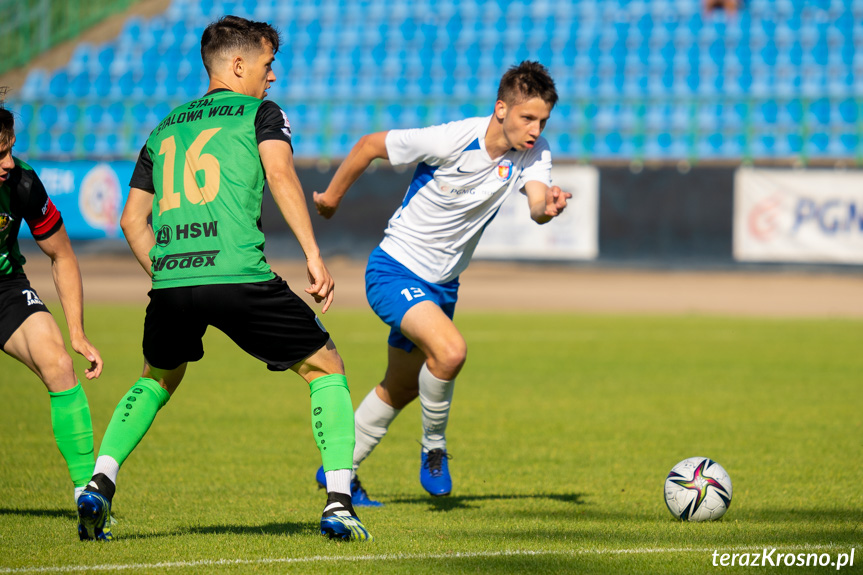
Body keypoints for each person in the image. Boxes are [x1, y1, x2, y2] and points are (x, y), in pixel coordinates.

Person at [75, 16, 371, 542]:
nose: (272, 76)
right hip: (239, 274)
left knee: (157, 377)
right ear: (238, 65)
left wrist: (169, 270)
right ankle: (340, 504)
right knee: (326, 366)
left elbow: (130, 221)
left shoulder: (164, 126)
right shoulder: (261, 113)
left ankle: (99, 482)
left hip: (172, 283)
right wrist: (313, 255)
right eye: (267, 64)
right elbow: (280, 174)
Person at [312, 61, 570, 506]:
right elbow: (370, 145)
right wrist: (331, 198)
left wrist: (549, 208)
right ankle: (434, 447)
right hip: (394, 270)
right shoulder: (453, 138)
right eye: (527, 117)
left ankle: (340, 469)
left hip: (442, 287)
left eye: (542, 120)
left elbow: (535, 206)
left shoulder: (535, 151)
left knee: (402, 386)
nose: (535, 129)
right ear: (501, 108)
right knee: (450, 352)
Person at [0, 92, 104, 507]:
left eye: (9, 151)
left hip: (5, 288)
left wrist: (76, 333)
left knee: (60, 364)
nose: (8, 162)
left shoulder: (23, 181)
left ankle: (89, 499)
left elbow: (61, 254)